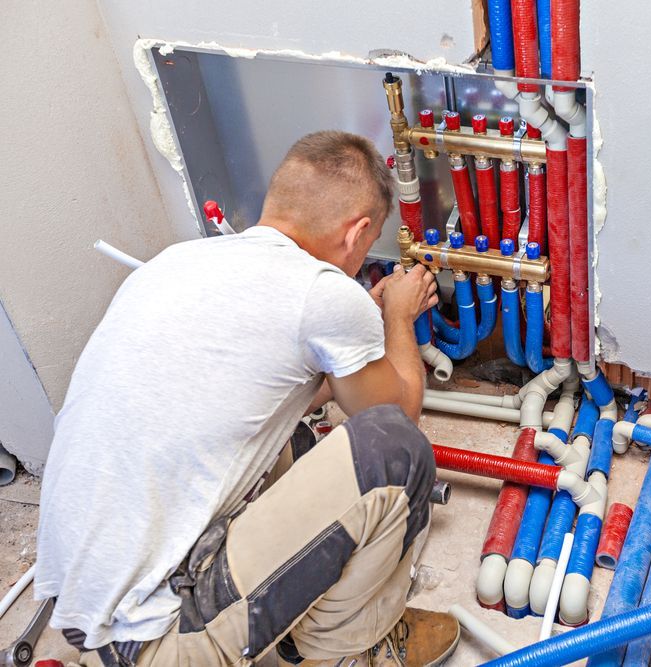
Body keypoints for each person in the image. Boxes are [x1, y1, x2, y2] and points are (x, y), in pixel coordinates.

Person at [35, 131, 460, 666]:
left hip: (85, 613)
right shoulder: (323, 291)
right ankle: (350, 651)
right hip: (160, 638)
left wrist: (355, 335)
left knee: (293, 443)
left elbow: (264, 394)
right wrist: (397, 316)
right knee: (392, 452)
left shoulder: (177, 261)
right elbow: (398, 413)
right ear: (357, 233)